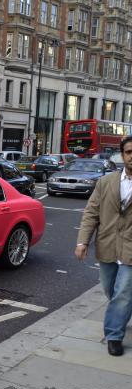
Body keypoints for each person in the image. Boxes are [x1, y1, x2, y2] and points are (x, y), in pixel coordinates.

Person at [75, 135, 132, 356]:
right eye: (129, 152)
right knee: (111, 290)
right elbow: (91, 213)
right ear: (123, 155)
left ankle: (114, 335)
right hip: (107, 244)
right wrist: (82, 241)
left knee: (123, 291)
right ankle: (122, 313)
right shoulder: (106, 182)